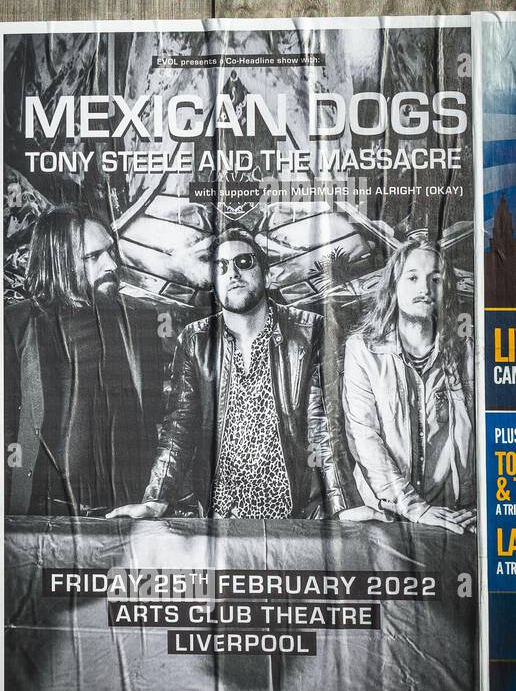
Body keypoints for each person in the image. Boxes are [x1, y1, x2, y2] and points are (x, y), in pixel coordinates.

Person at [107, 228, 357, 521]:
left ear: (267, 275)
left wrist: (343, 506)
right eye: (221, 267)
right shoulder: (195, 339)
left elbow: (323, 425)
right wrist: (156, 498)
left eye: (244, 262)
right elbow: (179, 426)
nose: (233, 273)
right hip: (221, 517)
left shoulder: (309, 331)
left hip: (294, 519)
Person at [4, 205, 162, 515]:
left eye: (110, 251)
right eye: (93, 257)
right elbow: (3, 425)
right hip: (44, 509)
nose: (111, 264)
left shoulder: (142, 319)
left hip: (126, 510)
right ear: (59, 262)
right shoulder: (16, 323)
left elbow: (158, 417)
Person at [341, 237, 475, 534]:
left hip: (450, 518)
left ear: (446, 290)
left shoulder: (464, 351)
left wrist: (477, 506)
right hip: (384, 515)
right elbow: (364, 437)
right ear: (393, 287)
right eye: (412, 277)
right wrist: (414, 507)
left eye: (435, 279)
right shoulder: (362, 350)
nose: (424, 289)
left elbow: (478, 434)